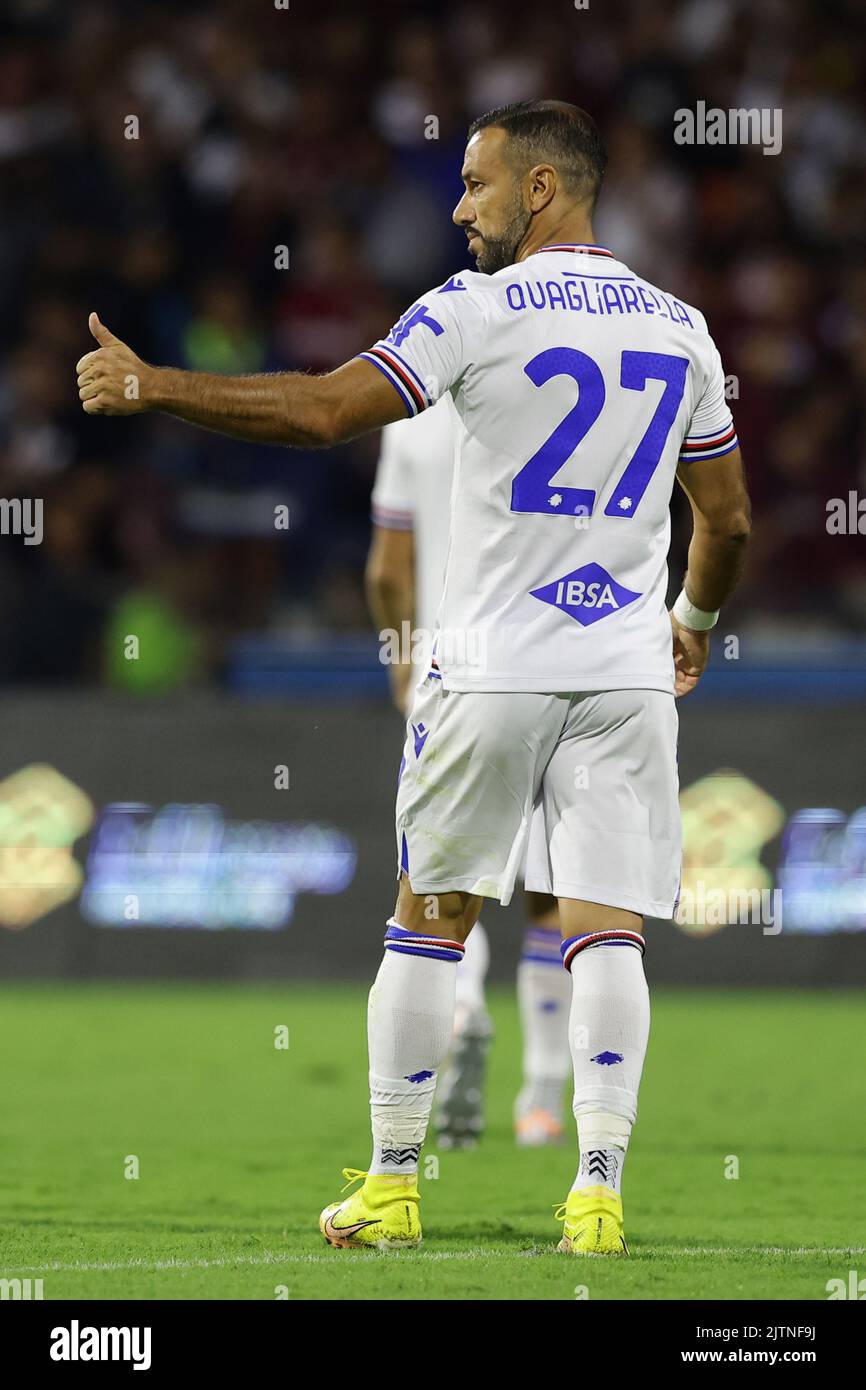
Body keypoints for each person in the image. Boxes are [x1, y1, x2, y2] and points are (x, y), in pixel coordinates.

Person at [76, 99, 750, 1256]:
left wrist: (156, 388)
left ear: (539, 189)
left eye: (477, 184)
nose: (458, 206)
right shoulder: (680, 326)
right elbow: (727, 519)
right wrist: (690, 617)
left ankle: (392, 1185)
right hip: (625, 669)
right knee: (606, 933)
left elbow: (326, 410)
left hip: (491, 663)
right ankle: (594, 1192)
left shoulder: (473, 309)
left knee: (428, 922)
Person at [367, 401, 572, 1149]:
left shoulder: (410, 417)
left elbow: (389, 566)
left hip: (451, 672)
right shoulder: (539, 387)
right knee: (553, 889)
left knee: (443, 875)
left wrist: (401, 662)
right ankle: (543, 1101)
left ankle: (459, 1008)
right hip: (558, 660)